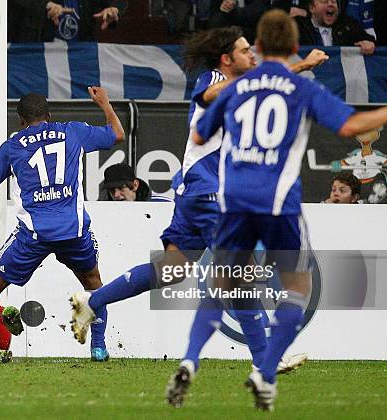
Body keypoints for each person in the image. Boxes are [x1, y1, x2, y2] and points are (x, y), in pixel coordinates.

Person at [179, 9, 387, 411]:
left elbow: (197, 132)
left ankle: (190, 360)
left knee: (221, 285)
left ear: (259, 48)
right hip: (278, 203)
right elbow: (351, 127)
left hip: (233, 204)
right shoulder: (299, 88)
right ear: (296, 46)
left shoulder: (238, 86)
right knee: (297, 288)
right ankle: (264, 369)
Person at [70, 26, 325, 371]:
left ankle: (93, 301)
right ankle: (267, 358)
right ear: (226, 58)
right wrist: (301, 65)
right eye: (245, 50)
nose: (252, 55)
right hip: (207, 191)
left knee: (171, 270)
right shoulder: (213, 80)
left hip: (196, 191)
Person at [0, 87, 124, 362]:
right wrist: (104, 103)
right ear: (48, 116)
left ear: (21, 122)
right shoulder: (72, 131)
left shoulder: (13, 146)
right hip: (73, 231)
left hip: (33, 235)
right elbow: (117, 134)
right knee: (94, 285)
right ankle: (98, 347)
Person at [294, 0, 376, 54]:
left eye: (333, 1)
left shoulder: (347, 25)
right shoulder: (297, 27)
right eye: (324, 1)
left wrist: (367, 42)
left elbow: (368, 39)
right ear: (312, 8)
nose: (330, 4)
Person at [101, 163, 172, 202]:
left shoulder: (163, 205)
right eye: (112, 190)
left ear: (135, 185)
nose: (116, 195)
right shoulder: (102, 210)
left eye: (121, 188)